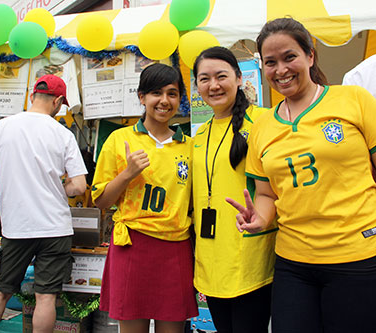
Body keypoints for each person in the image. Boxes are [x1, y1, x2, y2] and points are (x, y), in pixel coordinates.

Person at [226, 18, 376, 333]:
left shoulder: (353, 100)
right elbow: (267, 194)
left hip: (358, 258)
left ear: (310, 55)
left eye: (289, 57)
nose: (281, 69)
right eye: (270, 62)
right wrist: (260, 219)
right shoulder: (262, 128)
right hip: (294, 264)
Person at [0, 74, 87, 333]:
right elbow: (79, 186)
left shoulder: (2, 126)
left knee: (1, 291)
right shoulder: (63, 134)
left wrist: (10, 190)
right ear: (58, 101)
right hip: (54, 228)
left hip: (17, 226)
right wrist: (59, 189)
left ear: (32, 96)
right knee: (46, 297)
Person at [92, 63, 197, 333]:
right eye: (156, 93)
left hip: (176, 247)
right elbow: (101, 201)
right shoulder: (119, 139)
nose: (164, 101)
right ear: (141, 97)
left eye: (172, 94)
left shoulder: (190, 146)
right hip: (132, 246)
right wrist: (127, 174)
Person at [191, 46, 276, 333]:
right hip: (212, 260)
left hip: (252, 256)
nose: (213, 85)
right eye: (204, 79)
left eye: (221, 76)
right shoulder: (198, 136)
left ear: (239, 78)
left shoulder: (266, 121)